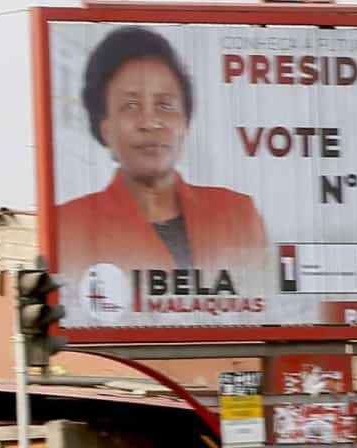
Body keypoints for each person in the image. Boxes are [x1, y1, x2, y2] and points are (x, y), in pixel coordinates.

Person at [54, 26, 267, 279]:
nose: (151, 122)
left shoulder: (238, 215)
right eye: (131, 105)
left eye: (165, 105)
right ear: (105, 126)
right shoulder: (69, 226)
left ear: (185, 121)